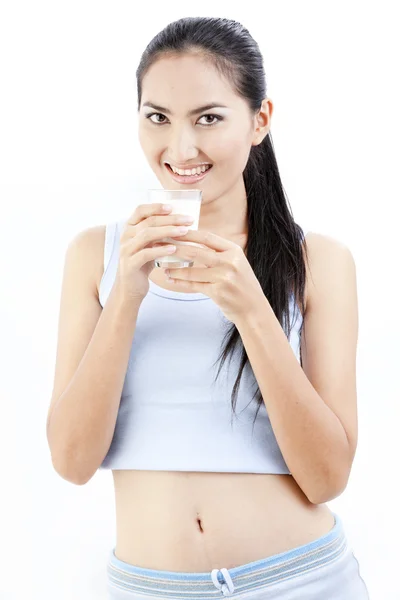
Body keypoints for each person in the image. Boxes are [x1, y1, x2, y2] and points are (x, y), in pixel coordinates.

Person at [46, 16, 370, 600]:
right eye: (158, 118)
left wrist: (251, 311)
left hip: (300, 582)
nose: (181, 147)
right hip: (147, 588)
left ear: (259, 120)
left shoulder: (317, 262)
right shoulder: (96, 256)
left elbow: (328, 477)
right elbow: (71, 460)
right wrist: (127, 294)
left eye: (209, 118)